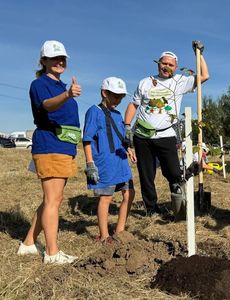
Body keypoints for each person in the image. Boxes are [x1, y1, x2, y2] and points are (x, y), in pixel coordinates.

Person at [124, 41, 209, 218]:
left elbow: (204, 76)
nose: (167, 67)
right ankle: (151, 209)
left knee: (173, 172)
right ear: (158, 63)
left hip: (166, 135)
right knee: (146, 175)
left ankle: (179, 205)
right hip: (142, 136)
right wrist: (127, 127)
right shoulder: (145, 83)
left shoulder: (179, 82)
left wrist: (198, 54)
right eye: (164, 63)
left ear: (176, 67)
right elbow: (133, 105)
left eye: (171, 65)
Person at [18, 40, 81, 264]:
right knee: (53, 200)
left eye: (62, 58)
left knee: (51, 199)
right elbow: (47, 106)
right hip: (50, 144)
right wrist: (67, 95)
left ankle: (27, 243)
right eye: (54, 58)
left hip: (64, 146)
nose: (59, 61)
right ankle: (52, 253)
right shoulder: (40, 84)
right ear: (43, 61)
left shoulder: (60, 85)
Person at [82, 77, 136, 243]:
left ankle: (119, 230)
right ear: (104, 93)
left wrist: (128, 149)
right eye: (115, 96)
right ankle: (104, 236)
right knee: (106, 198)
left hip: (120, 162)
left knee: (130, 193)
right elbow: (87, 139)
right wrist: (90, 163)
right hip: (104, 163)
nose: (118, 100)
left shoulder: (118, 114)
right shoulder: (94, 111)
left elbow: (120, 136)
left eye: (121, 97)